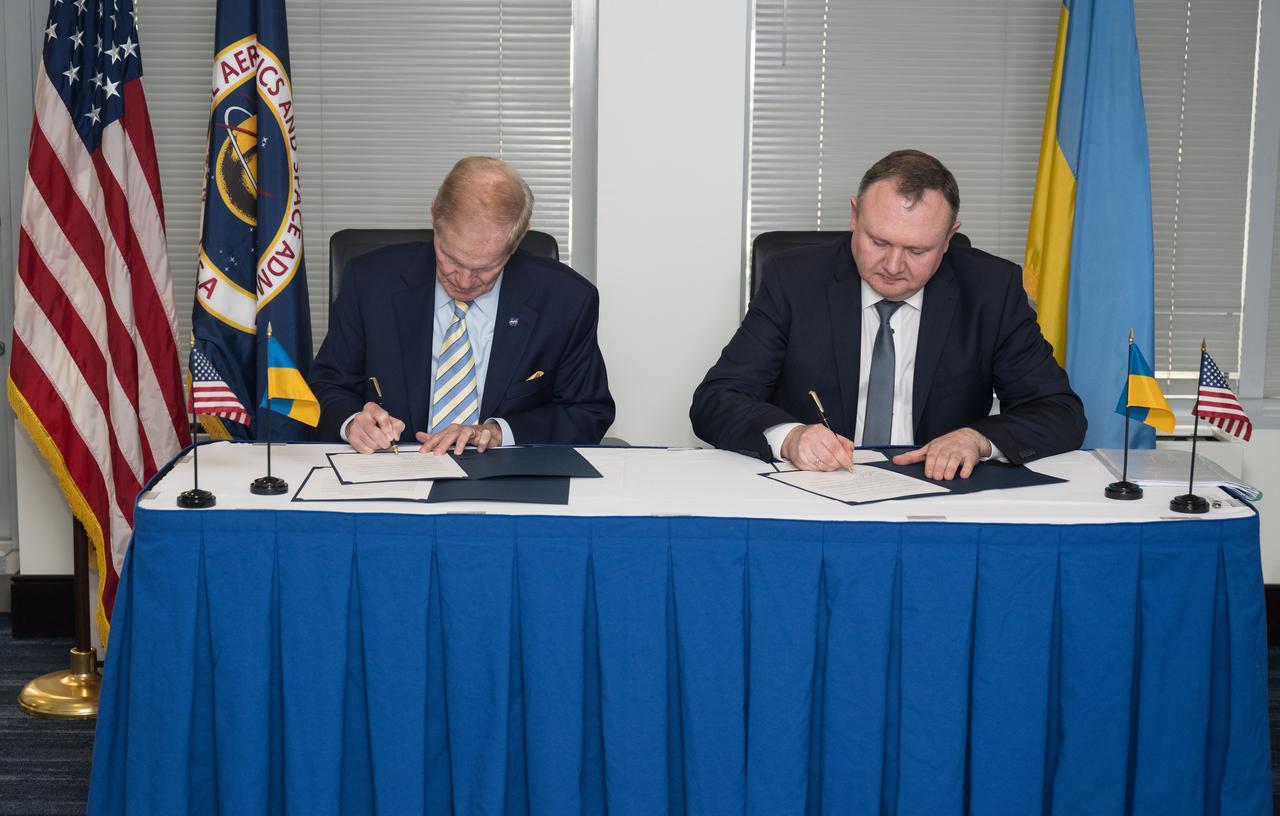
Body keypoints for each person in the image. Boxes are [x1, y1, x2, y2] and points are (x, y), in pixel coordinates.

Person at [690, 149, 1085, 480]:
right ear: (854, 216)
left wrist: (978, 439)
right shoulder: (793, 282)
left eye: (916, 251)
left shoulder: (990, 290)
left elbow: (1059, 412)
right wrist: (789, 437)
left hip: (939, 498)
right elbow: (717, 399)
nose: (893, 265)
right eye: (878, 241)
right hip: (814, 490)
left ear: (949, 238)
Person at [311, 156, 614, 454]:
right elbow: (327, 386)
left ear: (516, 241)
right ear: (434, 217)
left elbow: (587, 412)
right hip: (390, 470)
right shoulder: (370, 282)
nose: (465, 282)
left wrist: (497, 432)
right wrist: (352, 423)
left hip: (507, 483)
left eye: (485, 268)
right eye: (451, 260)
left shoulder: (566, 300)